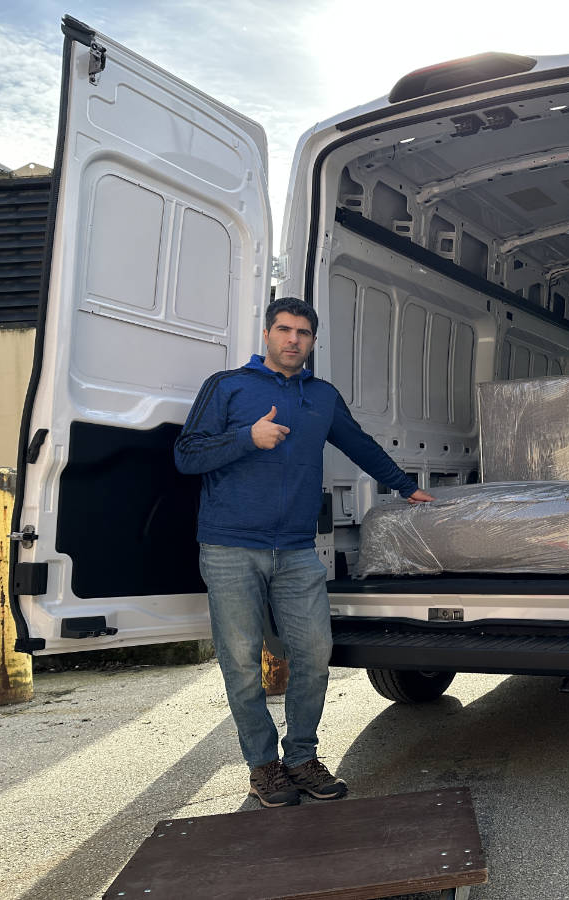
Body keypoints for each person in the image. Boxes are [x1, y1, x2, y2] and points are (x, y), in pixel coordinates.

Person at [175, 297, 433, 808]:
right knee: (242, 664)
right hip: (230, 547)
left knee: (314, 656)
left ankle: (300, 758)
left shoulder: (321, 397)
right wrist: (248, 437)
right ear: (267, 334)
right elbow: (187, 455)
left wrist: (405, 487)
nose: (293, 340)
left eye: (303, 333)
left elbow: (358, 444)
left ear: (313, 341)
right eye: (284, 330)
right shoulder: (227, 387)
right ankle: (263, 767)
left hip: (295, 549)